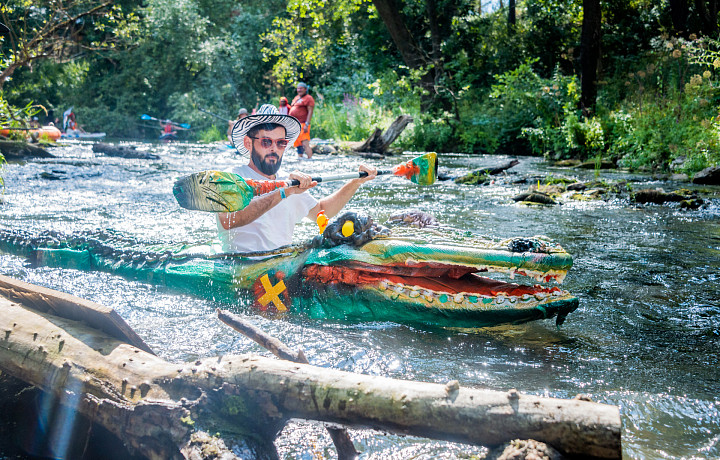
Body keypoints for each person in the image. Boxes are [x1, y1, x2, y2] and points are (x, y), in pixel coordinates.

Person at [220, 104, 376, 253]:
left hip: (282, 270)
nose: (274, 149)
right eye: (266, 142)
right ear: (248, 143)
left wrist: (355, 182)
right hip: (244, 270)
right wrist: (283, 193)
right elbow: (228, 220)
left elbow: (322, 212)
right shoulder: (232, 178)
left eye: (281, 143)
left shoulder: (289, 183)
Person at [289, 82, 315, 159]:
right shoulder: (296, 98)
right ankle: (300, 159)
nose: (299, 90)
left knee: (305, 142)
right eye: (298, 88)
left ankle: (310, 159)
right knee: (298, 144)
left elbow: (310, 111)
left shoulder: (308, 98)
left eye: (301, 88)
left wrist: (307, 124)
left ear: (305, 89)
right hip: (295, 124)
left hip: (303, 124)